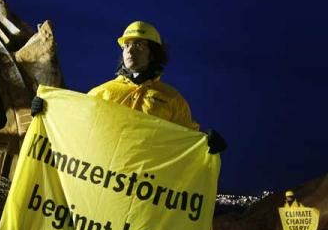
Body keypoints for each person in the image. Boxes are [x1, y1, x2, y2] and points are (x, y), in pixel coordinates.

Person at [31, 21, 227, 154]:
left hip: (146, 191)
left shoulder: (173, 100)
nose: (130, 50)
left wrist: (206, 144)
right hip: (103, 182)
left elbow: (187, 143)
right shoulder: (101, 93)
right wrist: (47, 112)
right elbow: (74, 127)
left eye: (139, 45)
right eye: (126, 46)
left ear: (154, 53)